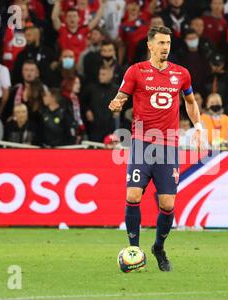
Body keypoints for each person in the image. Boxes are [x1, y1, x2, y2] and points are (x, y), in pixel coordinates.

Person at [108, 26, 203, 272]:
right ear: (149, 45)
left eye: (168, 43)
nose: (165, 47)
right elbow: (122, 94)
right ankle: (134, 249)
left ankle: (158, 246)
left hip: (169, 144)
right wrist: (118, 102)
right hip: (142, 142)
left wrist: (199, 126)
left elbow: (190, 102)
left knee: (168, 203)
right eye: (161, 43)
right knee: (133, 195)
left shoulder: (181, 74)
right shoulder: (136, 71)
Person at [82, 66, 119, 142]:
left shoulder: (116, 90)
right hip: (94, 127)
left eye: (103, 74)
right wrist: (87, 110)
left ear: (110, 75)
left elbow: (124, 104)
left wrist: (118, 110)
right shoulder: (92, 88)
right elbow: (83, 102)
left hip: (110, 126)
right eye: (100, 74)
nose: (100, 77)